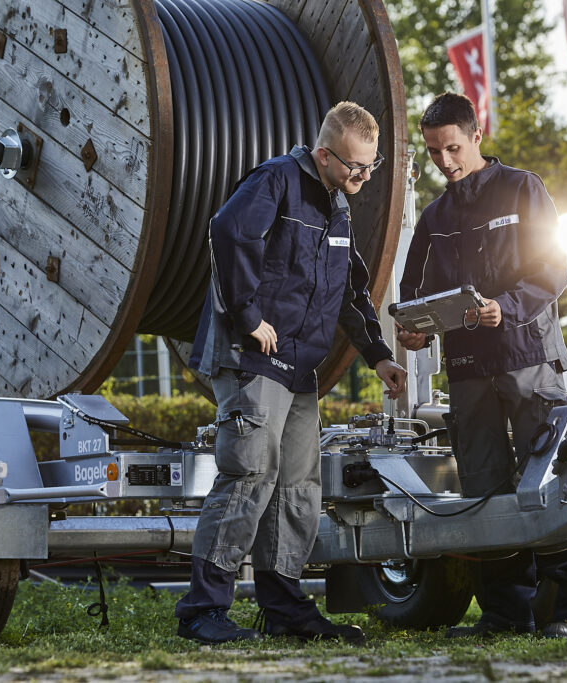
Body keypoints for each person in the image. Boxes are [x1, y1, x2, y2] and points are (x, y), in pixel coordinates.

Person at [176, 101, 408, 645]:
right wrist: (249, 315)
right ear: (324, 155)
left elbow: (350, 293)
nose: (364, 177)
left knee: (299, 487)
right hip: (253, 359)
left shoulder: (337, 204)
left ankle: (284, 607)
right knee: (249, 473)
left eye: (370, 167)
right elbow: (228, 230)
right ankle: (202, 610)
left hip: (300, 370)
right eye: (355, 167)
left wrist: (379, 356)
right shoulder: (276, 180)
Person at [396, 92, 567, 640]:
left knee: (551, 482)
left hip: (528, 361)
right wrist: (415, 329)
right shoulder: (434, 217)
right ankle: (503, 615)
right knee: (484, 490)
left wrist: (504, 308)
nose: (445, 161)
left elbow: (554, 268)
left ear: (477, 135)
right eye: (435, 151)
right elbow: (412, 292)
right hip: (466, 372)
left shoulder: (522, 188)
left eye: (453, 147)